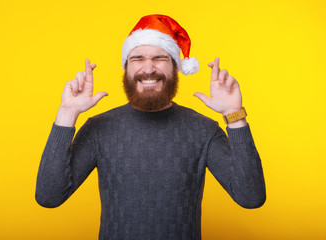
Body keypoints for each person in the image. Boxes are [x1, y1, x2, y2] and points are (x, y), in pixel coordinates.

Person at [35, 14, 266, 239]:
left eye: (160, 58)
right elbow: (49, 196)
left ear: (176, 68)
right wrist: (67, 113)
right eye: (137, 59)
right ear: (126, 69)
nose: (148, 68)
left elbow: (251, 197)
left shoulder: (203, 129)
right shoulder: (99, 128)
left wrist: (233, 116)